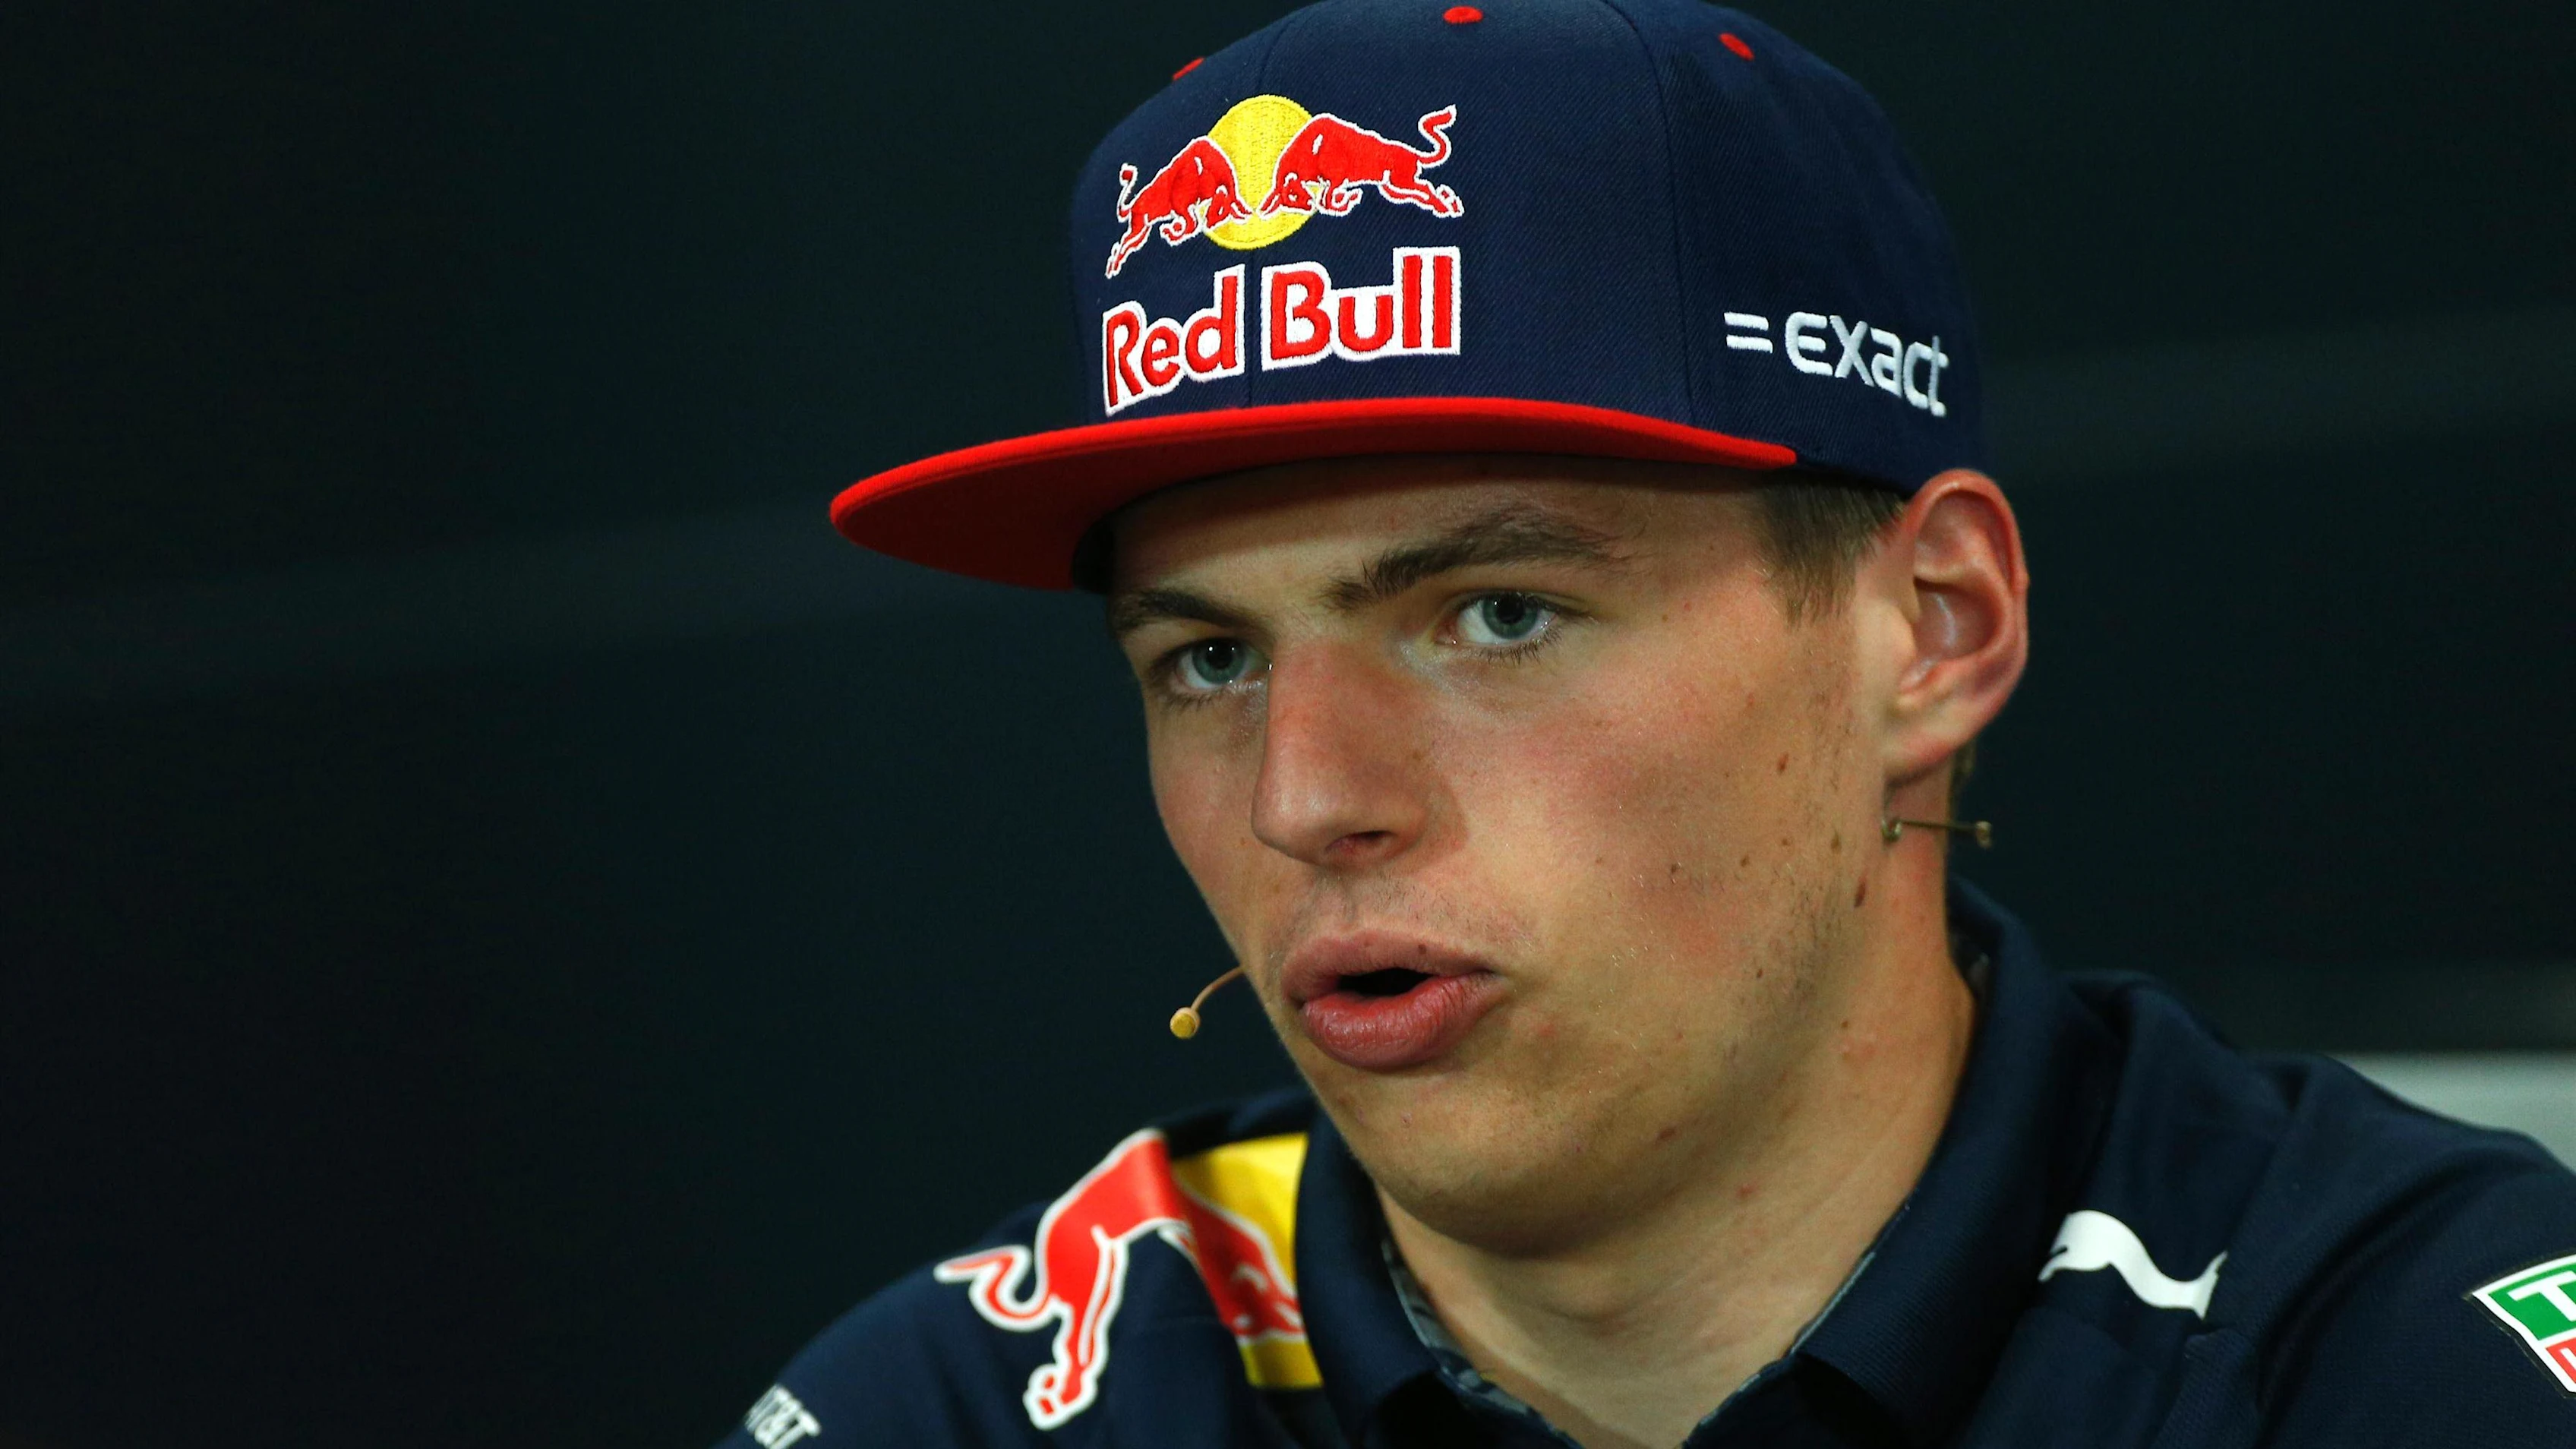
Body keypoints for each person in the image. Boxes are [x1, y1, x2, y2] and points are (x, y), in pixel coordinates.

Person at [718, 4, 2576, 1445]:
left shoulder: (2412, 1366)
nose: (1305, 797)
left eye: (1498, 615)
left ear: (1932, 630)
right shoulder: (973, 1409)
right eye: (1207, 658)